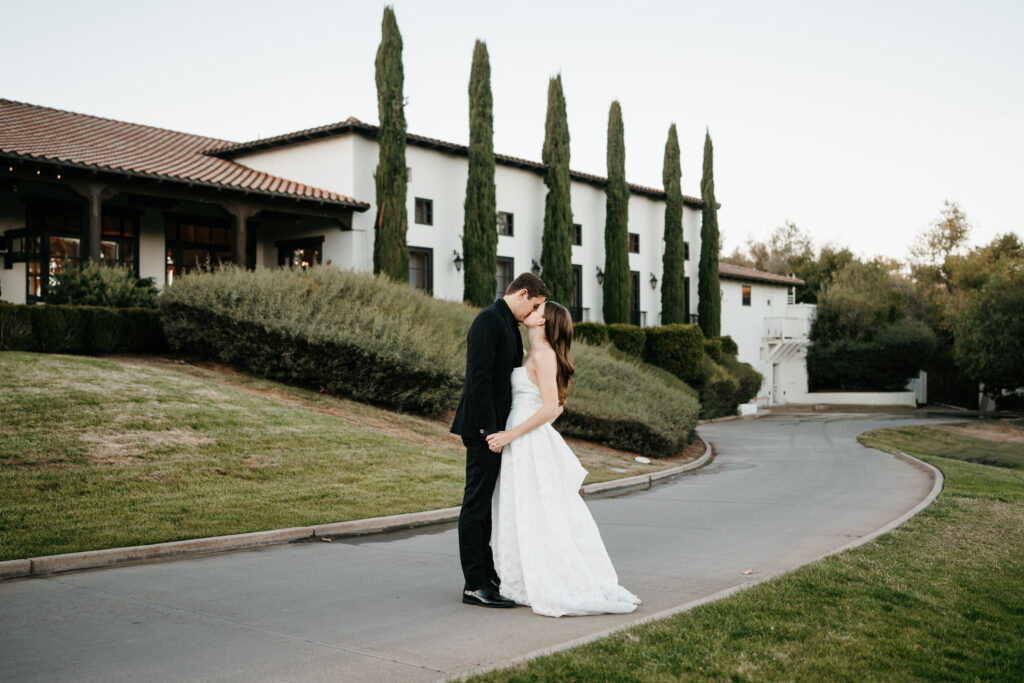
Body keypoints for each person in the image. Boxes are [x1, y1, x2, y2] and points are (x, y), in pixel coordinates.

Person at [485, 301, 641, 617]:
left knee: (536, 509)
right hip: (525, 435)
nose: (530, 309)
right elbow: (553, 408)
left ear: (543, 319)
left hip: (524, 440)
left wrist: (508, 436)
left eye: (537, 308)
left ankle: (544, 579)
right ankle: (520, 578)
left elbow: (548, 407)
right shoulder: (535, 353)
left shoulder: (543, 356)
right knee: (523, 508)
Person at [450, 272, 549, 608]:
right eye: (534, 305)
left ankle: (487, 574)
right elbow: (477, 380)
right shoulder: (487, 321)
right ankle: (474, 584)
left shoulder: (508, 324)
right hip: (482, 430)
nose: (534, 313)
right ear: (522, 293)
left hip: (495, 430)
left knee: (486, 508)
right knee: (475, 505)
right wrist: (487, 432)